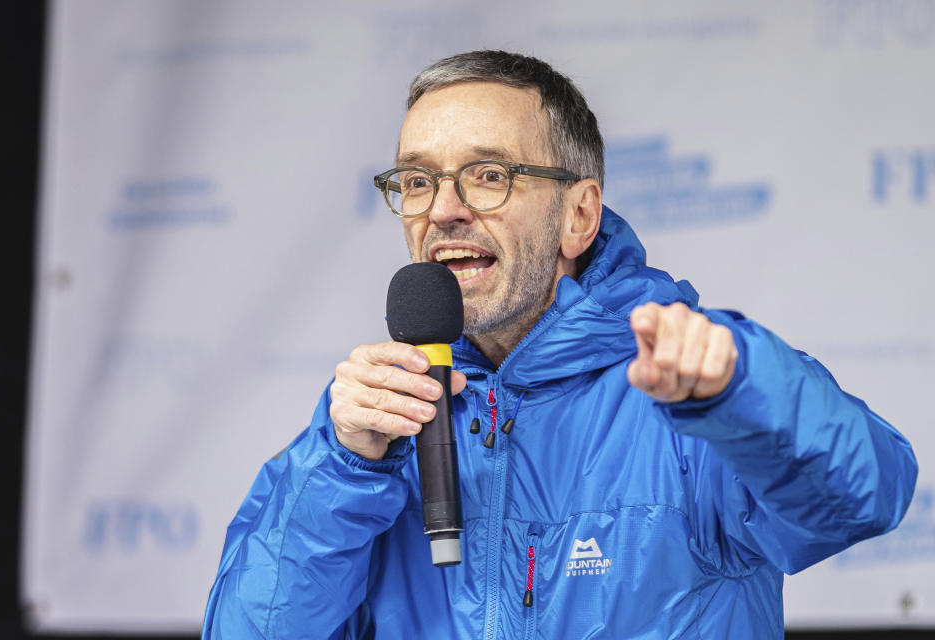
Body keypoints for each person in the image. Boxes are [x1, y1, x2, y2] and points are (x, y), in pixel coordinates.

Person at [202, 51, 917, 639]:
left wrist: (743, 391)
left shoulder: (688, 391)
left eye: (489, 175)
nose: (444, 209)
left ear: (579, 216)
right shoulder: (374, 430)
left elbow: (866, 497)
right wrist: (338, 467)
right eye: (418, 180)